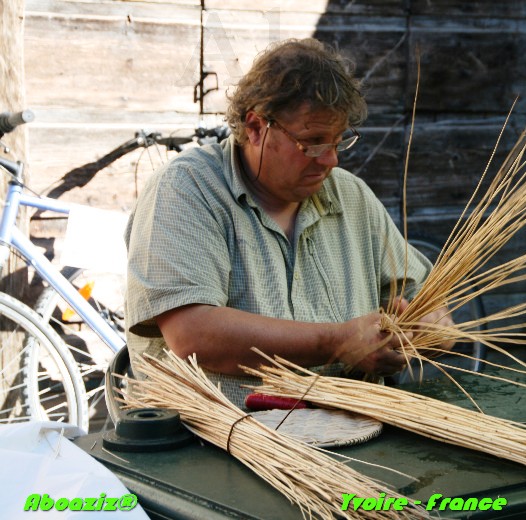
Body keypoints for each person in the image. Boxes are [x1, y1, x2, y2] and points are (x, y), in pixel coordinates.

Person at [124, 38, 453, 406]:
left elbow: (425, 301)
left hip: (353, 427)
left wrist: (431, 329)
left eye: (338, 141)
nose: (330, 160)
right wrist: (336, 343)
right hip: (216, 432)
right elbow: (192, 336)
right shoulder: (187, 189)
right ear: (255, 127)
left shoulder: (352, 197)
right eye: (313, 142)